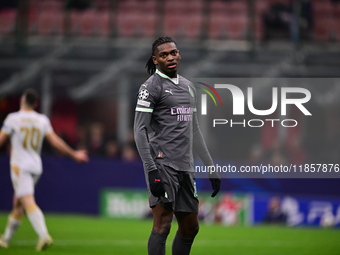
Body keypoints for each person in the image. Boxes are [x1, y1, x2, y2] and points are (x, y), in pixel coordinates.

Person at [134, 37, 221, 255]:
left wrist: (210, 166)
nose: (170, 57)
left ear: (179, 54)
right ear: (155, 60)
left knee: (191, 226)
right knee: (163, 223)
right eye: (164, 55)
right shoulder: (150, 88)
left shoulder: (189, 87)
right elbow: (140, 131)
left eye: (173, 52)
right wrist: (152, 169)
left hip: (186, 166)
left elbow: (194, 130)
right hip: (162, 164)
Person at [0, 89, 89, 251]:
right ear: (35, 104)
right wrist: (74, 154)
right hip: (36, 166)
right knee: (18, 203)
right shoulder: (42, 120)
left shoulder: (13, 119)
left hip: (20, 166)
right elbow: (56, 142)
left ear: (21, 101)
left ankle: (44, 236)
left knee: (27, 201)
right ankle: (5, 239)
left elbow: (1, 140)